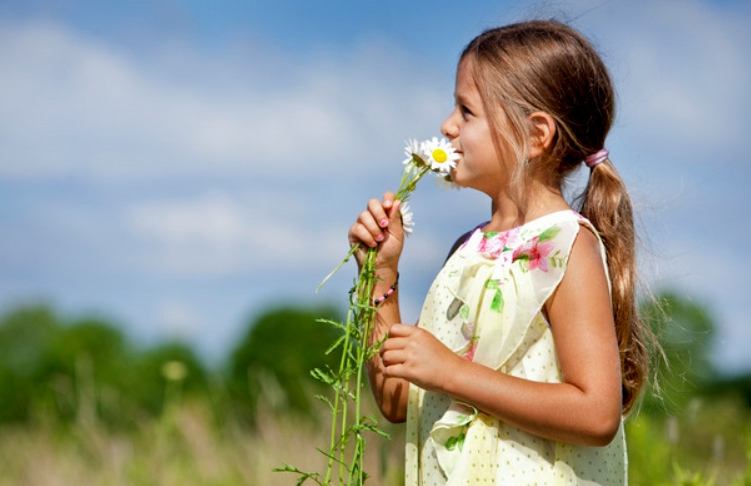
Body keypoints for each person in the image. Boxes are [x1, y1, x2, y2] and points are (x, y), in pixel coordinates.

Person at [348, 19, 650, 485]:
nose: (447, 126)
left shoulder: (567, 246)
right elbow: (396, 402)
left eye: (466, 111)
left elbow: (596, 414)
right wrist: (381, 277)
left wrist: (450, 373)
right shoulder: (467, 251)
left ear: (536, 135)